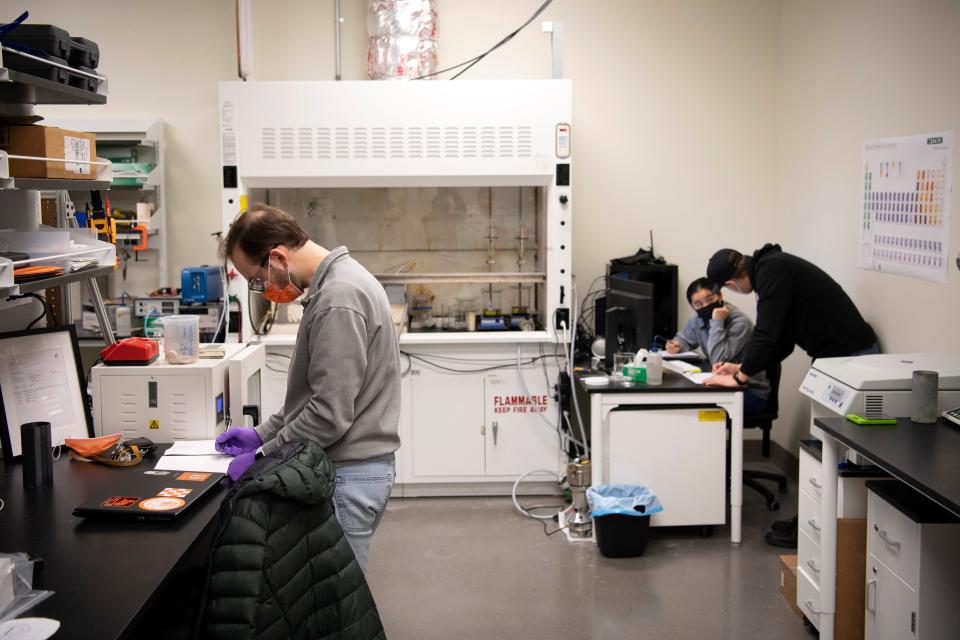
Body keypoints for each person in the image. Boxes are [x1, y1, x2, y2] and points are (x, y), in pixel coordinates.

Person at [215, 204, 401, 572]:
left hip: (351, 474)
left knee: (340, 610)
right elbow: (313, 397)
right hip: (348, 470)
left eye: (256, 280)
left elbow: (328, 415)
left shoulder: (339, 298)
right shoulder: (334, 286)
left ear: (278, 257)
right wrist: (260, 434)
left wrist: (263, 455)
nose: (262, 291)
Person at [703, 243, 879, 547]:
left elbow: (768, 332)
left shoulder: (773, 271)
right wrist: (740, 365)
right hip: (835, 359)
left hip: (851, 360)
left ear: (731, 284)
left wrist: (741, 377)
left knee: (837, 454)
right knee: (825, 449)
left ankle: (830, 533)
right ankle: (816, 525)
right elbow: (781, 341)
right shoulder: (771, 270)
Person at [666, 277, 769, 414]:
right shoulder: (698, 319)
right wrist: (676, 345)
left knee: (694, 410)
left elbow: (718, 358)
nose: (705, 306)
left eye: (710, 299)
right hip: (718, 385)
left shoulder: (740, 323)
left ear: (720, 295)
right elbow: (684, 339)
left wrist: (717, 322)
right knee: (680, 403)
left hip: (749, 391)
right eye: (698, 304)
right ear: (693, 307)